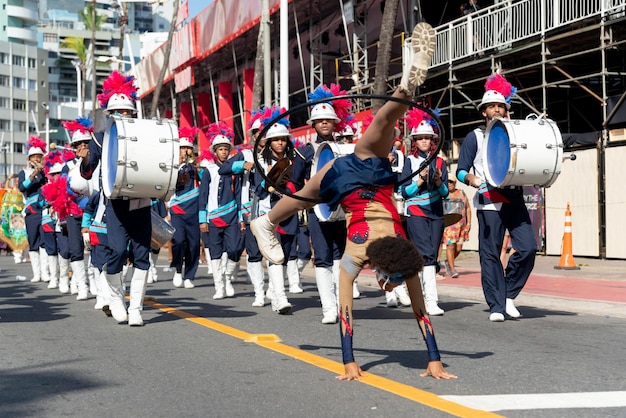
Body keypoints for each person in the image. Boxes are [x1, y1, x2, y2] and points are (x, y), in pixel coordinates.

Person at [252, 22, 456, 381]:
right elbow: (372, 312)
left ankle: (405, 90)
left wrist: (433, 359)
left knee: (382, 125)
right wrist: (429, 359)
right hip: (349, 182)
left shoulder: (401, 249)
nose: (389, 284)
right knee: (303, 197)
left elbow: (399, 309)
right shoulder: (357, 257)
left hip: (368, 173)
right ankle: (266, 222)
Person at [456, 73, 536, 322]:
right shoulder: (475, 137)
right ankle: (496, 305)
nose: (497, 109)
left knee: (528, 248)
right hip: (489, 199)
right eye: (492, 106)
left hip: (514, 198)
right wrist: (474, 181)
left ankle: (508, 294)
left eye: (501, 105)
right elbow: (461, 171)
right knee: (490, 253)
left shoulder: (516, 134)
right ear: (484, 112)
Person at [79, 71, 152, 326]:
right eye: (117, 112)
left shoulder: (145, 132)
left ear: (133, 113)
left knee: (142, 257)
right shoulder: (100, 137)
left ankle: (136, 308)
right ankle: (116, 298)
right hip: (115, 204)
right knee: (118, 252)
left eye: (126, 111)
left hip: (141, 203)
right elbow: (87, 171)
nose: (122, 116)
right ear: (109, 115)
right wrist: (87, 157)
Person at [300, 83, 353, 324]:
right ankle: (328, 308)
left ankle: (343, 303)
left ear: (335, 124)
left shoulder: (344, 148)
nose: (324, 124)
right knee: (322, 257)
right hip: (316, 211)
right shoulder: (303, 152)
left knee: (341, 256)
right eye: (320, 121)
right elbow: (292, 183)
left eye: (328, 121)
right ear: (313, 124)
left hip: (341, 209)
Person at [252, 108, 310, 313]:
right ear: (268, 143)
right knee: (275, 255)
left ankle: (276, 292)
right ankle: (280, 298)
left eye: (283, 140)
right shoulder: (261, 162)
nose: (280, 143)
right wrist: (269, 178)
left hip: (289, 213)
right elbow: (259, 191)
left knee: (285, 254)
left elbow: (301, 185)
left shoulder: (296, 160)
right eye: (275, 140)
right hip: (268, 214)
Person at [399, 108, 448, 316]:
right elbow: (403, 191)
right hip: (416, 211)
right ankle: (430, 300)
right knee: (427, 254)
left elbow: (445, 192)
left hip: (436, 211)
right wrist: (420, 179)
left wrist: (436, 179)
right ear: (415, 141)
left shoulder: (440, 162)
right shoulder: (409, 162)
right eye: (420, 139)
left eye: (428, 138)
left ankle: (409, 287)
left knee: (431, 255)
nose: (425, 142)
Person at [218, 111, 267, 307]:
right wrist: (242, 165)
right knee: (253, 253)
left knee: (279, 251)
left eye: (266, 132)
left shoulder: (282, 152)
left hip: (275, 209)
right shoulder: (245, 154)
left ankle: (276, 291)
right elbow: (223, 169)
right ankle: (259, 293)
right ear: (254, 135)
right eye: (259, 133)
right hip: (250, 211)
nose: (263, 136)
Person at [198, 122, 242, 300]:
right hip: (213, 217)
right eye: (220, 149)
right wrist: (203, 219)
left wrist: (240, 216)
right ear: (215, 152)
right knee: (215, 253)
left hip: (231, 216)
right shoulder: (208, 170)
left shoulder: (234, 170)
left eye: (226, 149)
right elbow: (203, 195)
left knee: (234, 249)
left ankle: (227, 277)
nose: (223, 152)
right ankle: (219, 287)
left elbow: (239, 193)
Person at [169, 126, 202, 289]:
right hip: (177, 211)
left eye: (188, 148)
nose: (186, 151)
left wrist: (194, 163)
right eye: (183, 148)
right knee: (178, 241)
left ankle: (190, 275)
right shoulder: (171, 166)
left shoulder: (196, 167)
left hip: (194, 210)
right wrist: (177, 163)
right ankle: (177, 269)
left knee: (194, 244)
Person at [18, 136, 50, 284]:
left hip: (45, 209)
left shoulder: (47, 172)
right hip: (31, 210)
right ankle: (36, 273)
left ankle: (45, 272)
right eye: (34, 157)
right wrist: (33, 174)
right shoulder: (24, 172)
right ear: (29, 159)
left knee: (45, 241)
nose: (37, 159)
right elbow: (22, 187)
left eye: (39, 156)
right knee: (33, 240)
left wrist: (45, 173)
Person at [442, 178, 471, 278]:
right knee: (450, 246)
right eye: (447, 181)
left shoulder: (461, 193)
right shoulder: (444, 194)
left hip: (461, 225)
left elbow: (468, 208)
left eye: (451, 182)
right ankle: (452, 268)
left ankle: (448, 262)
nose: (449, 183)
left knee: (459, 248)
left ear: (455, 183)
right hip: (449, 225)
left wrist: (469, 223)